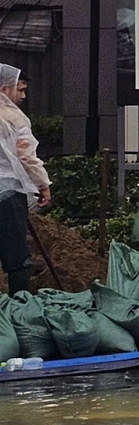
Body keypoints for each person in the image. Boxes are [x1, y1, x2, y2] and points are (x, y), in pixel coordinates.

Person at [0, 64, 51, 295]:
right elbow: (26, 156)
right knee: (16, 255)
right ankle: (18, 306)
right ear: (5, 89)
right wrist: (43, 184)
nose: (23, 96)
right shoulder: (14, 117)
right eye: (19, 90)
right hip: (9, 193)